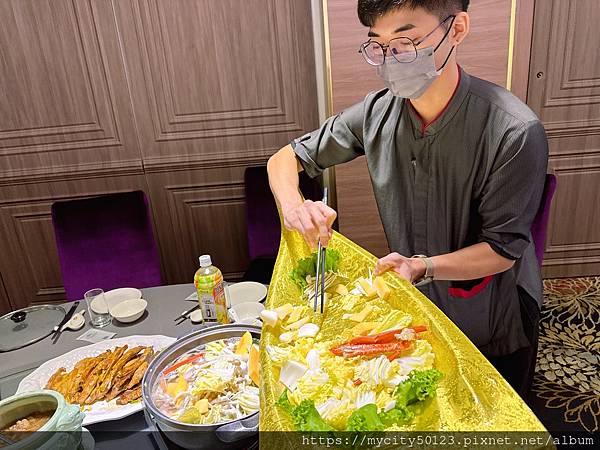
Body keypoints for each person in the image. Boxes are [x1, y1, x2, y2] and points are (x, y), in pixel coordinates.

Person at [267, 0, 548, 398]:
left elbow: (503, 250)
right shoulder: (377, 113)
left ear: (457, 29)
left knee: (491, 417)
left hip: (492, 309)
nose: (390, 61)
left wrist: (423, 267)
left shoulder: (513, 130)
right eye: (378, 47)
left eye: (407, 42)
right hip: (416, 297)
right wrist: (296, 207)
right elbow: (284, 159)